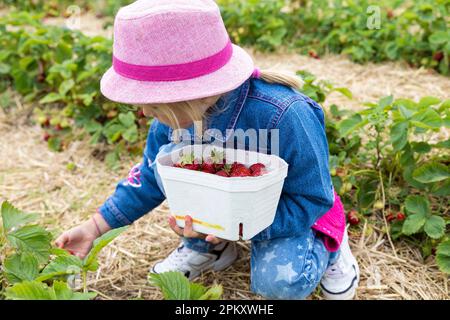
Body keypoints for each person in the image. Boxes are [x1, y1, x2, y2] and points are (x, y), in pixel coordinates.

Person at [56, 0, 359, 300]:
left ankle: (329, 245)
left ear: (193, 93)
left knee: (278, 284)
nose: (146, 113)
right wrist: (95, 227)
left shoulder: (285, 115)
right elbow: (147, 179)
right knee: (168, 164)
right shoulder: (173, 119)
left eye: (153, 103)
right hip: (227, 215)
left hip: (287, 209)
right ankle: (211, 246)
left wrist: (245, 228)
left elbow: (313, 195)